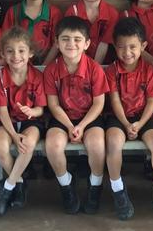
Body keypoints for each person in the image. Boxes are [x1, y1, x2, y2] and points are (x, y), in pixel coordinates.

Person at [104, 17, 153, 220]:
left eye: (133, 47)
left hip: (145, 116)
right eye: (121, 47)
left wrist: (139, 123)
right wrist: (128, 123)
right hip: (119, 118)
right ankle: (118, 190)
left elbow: (152, 102)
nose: (127, 53)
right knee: (112, 143)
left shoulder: (150, 70)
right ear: (114, 46)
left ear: (143, 46)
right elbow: (116, 101)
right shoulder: (112, 71)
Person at [43, 16, 109, 214]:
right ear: (56, 42)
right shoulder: (51, 70)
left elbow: (99, 103)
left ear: (87, 43)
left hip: (89, 117)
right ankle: (66, 185)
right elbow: (53, 105)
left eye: (77, 39)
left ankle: (95, 185)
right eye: (65, 39)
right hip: (63, 117)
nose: (71, 44)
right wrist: (71, 126)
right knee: (53, 145)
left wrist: (81, 126)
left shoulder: (95, 69)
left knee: (97, 145)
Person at [0, 27, 46, 216]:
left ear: (30, 53)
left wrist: (32, 111)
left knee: (28, 143)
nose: (16, 56)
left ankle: (8, 187)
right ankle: (20, 182)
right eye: (10, 51)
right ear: (3, 54)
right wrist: (13, 135)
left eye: (21, 50)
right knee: (0, 146)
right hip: (8, 123)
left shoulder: (37, 76)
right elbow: (2, 112)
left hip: (31, 121)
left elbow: (40, 110)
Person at [1, 0, 61, 65]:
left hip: (47, 67)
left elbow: (57, 44)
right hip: (18, 67)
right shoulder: (13, 12)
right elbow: (5, 43)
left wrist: (44, 67)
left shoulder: (55, 13)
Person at [64, 0, 119, 64]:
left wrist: (94, 68)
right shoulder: (72, 12)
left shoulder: (112, 13)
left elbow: (104, 44)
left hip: (103, 65)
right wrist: (84, 67)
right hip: (78, 63)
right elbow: (74, 44)